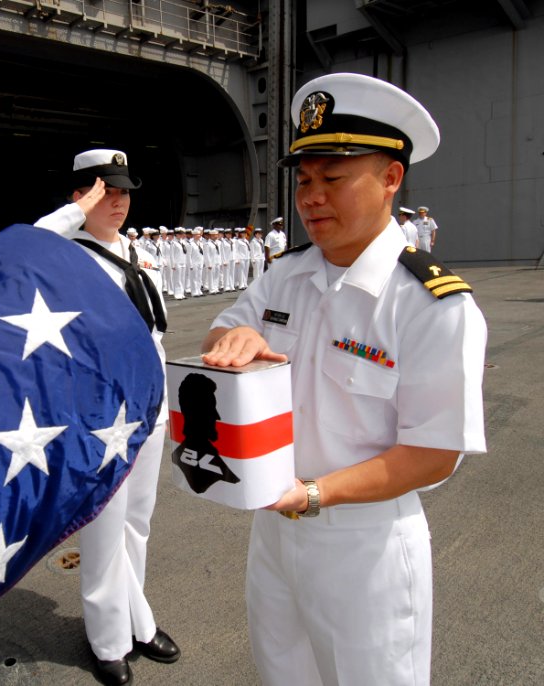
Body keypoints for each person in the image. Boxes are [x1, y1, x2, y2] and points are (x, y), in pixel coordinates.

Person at [201, 73, 486, 686]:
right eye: (304, 180)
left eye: (333, 178)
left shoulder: (432, 304)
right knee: (283, 674)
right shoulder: (286, 275)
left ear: (390, 178)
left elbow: (434, 453)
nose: (312, 197)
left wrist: (315, 494)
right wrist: (233, 340)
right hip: (274, 534)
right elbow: (219, 336)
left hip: (366, 545)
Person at [34, 149, 179, 685]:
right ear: (80, 196)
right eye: (104, 192)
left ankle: (137, 622)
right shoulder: (66, 252)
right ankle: (108, 639)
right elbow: (27, 245)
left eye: (123, 192)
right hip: (101, 416)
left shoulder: (135, 252)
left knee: (138, 523)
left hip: (150, 406)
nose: (118, 202)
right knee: (103, 530)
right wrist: (77, 212)